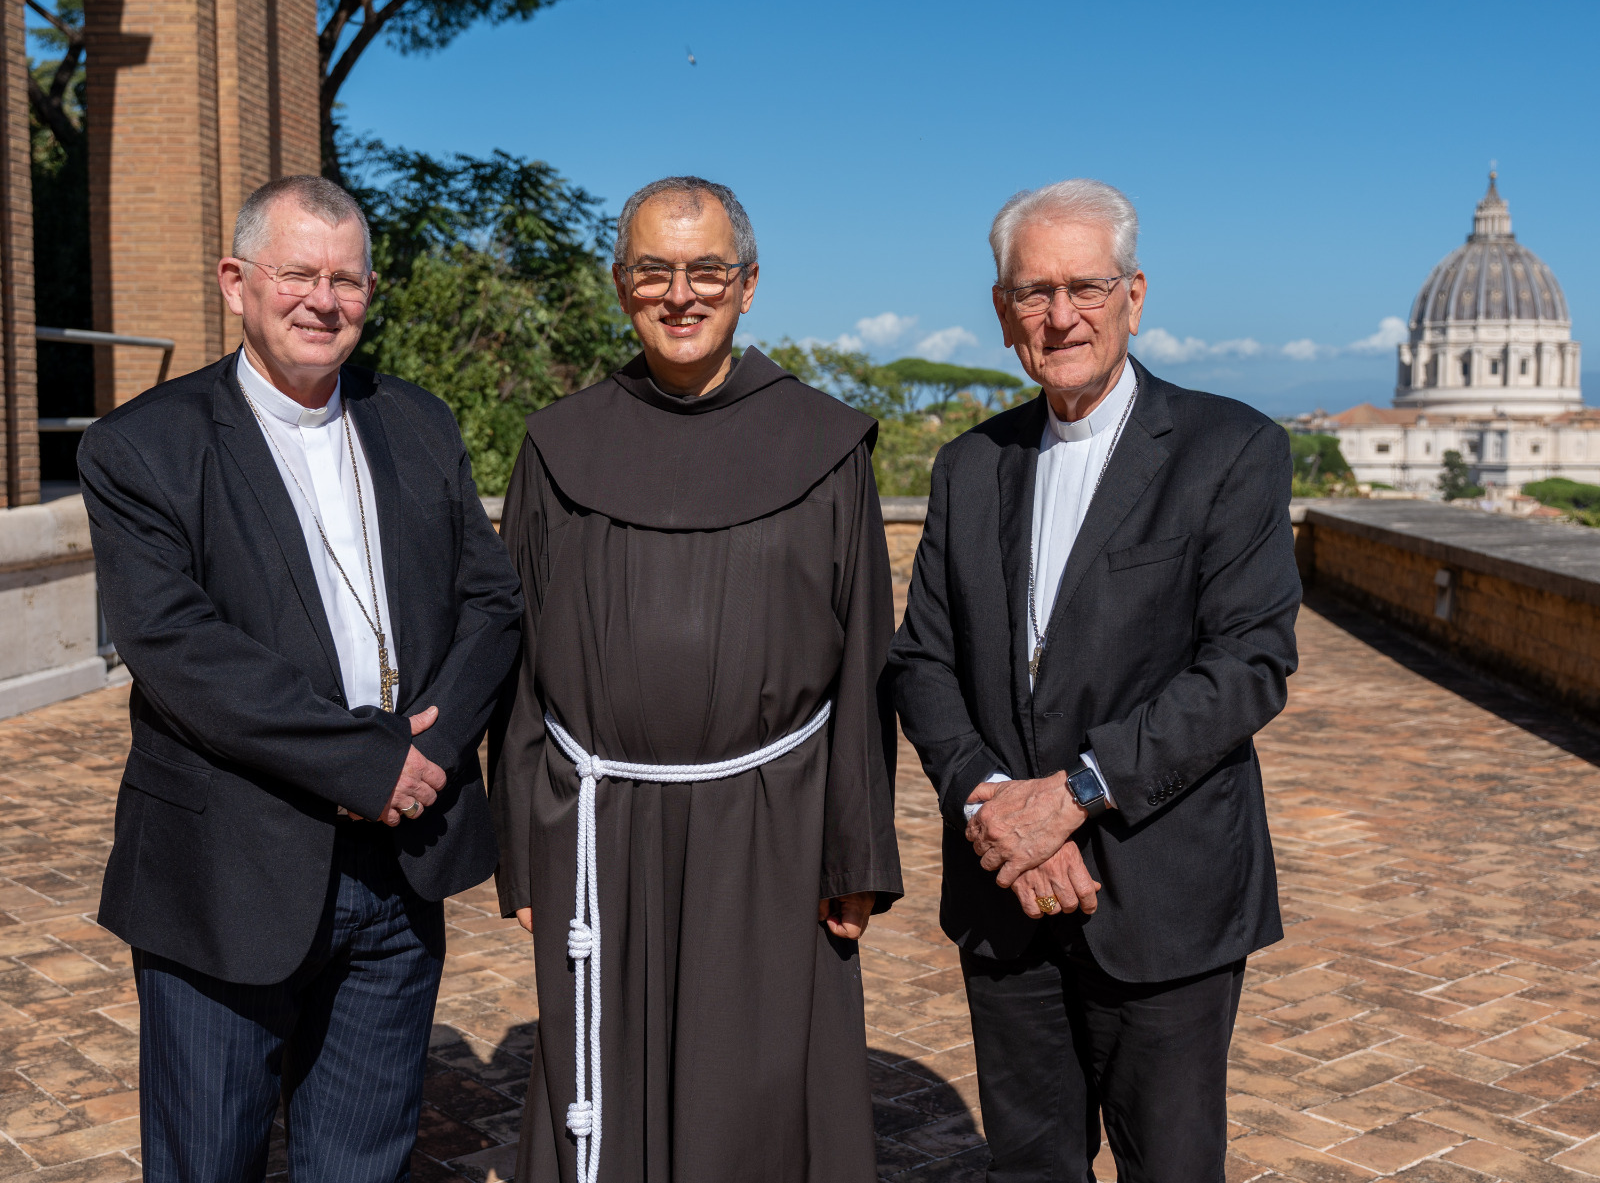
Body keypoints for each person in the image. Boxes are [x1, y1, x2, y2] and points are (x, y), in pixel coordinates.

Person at [78, 175, 523, 1180]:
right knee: (208, 1160)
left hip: (399, 867)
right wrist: (372, 760)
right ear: (236, 281)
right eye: (297, 275)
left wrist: (434, 750)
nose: (323, 301)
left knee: (362, 1160)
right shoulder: (143, 446)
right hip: (227, 867)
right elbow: (178, 647)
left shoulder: (417, 422)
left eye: (346, 280)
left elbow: (491, 604)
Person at [489, 175, 902, 1183]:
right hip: (598, 830)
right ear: (621, 283)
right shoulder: (558, 445)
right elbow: (517, 659)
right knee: (605, 1084)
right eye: (655, 271)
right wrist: (528, 846)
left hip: (777, 825)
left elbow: (863, 664)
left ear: (748, 284)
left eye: (707, 270)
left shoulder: (826, 444)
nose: (682, 294)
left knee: (756, 1096)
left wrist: (854, 850)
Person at [888, 178, 1300, 1182]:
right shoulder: (967, 465)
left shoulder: (1229, 448)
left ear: (1134, 295)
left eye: (1085, 286)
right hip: (1005, 890)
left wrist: (1071, 796)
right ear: (1000, 311)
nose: (1059, 315)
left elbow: (1248, 664)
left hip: (1160, 888)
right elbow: (922, 660)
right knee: (1030, 1166)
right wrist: (994, 806)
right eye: (1032, 292)